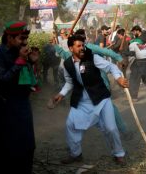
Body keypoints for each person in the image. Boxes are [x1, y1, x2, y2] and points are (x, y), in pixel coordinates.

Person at [53, 35, 128, 165]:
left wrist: (118, 78)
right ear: (71, 48)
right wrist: (61, 93)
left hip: (101, 99)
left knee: (111, 128)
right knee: (70, 125)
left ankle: (119, 153)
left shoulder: (92, 58)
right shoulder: (67, 64)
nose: (82, 48)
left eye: (83, 45)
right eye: (78, 46)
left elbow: (111, 67)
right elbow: (70, 82)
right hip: (82, 102)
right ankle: (76, 154)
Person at [0, 21, 35, 173]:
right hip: (5, 106)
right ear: (9, 38)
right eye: (21, 38)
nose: (24, 42)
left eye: (26, 38)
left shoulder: (21, 52)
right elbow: (2, 78)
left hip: (23, 103)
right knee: (8, 147)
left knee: (28, 144)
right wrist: (20, 61)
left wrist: (32, 63)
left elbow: (27, 81)